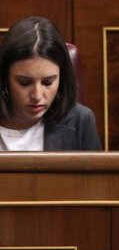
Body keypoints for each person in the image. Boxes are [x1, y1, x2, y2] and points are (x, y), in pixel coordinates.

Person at [0, 16, 101, 150]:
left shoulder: (81, 121)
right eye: (24, 83)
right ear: (5, 78)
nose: (37, 95)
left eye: (48, 82)